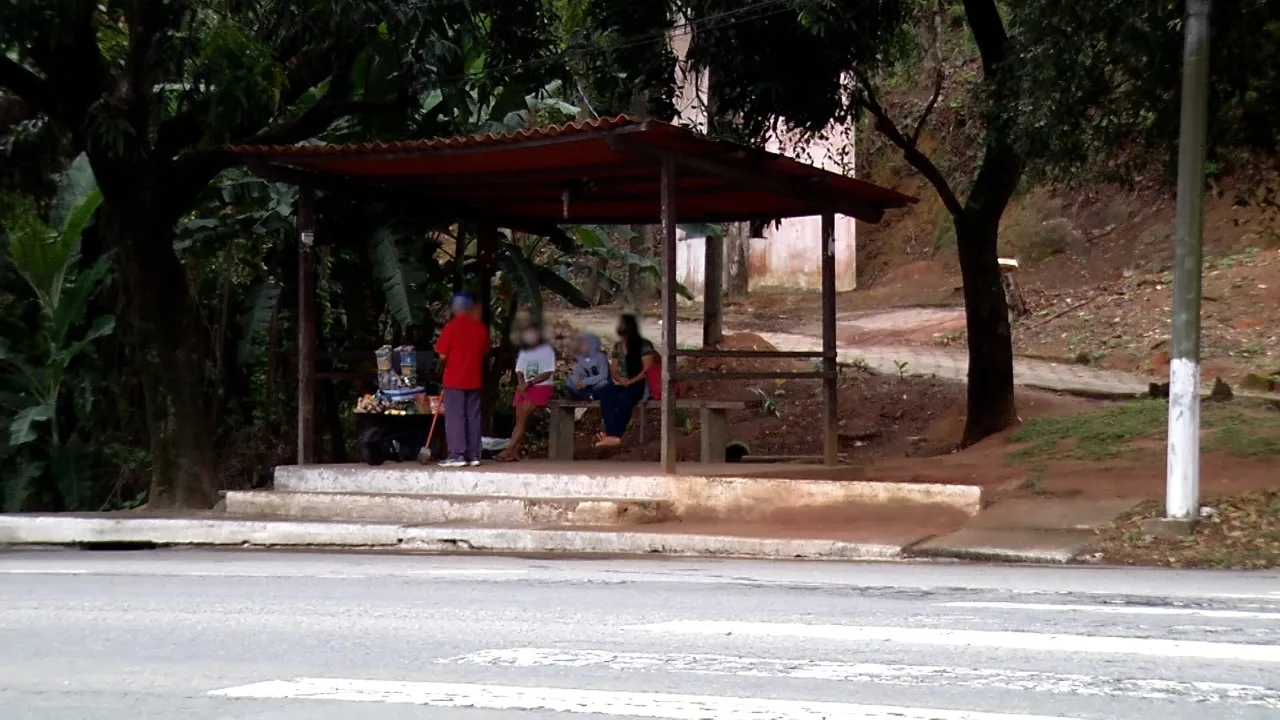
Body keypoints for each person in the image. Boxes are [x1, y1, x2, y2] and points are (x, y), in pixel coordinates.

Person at [433, 292, 489, 467]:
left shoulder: (451, 327)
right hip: (474, 379)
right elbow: (484, 351)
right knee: (473, 416)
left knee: (455, 416)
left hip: (454, 379)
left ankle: (456, 454)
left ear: (456, 309)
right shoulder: (480, 328)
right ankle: (473, 454)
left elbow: (442, 355)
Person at [595, 314, 657, 448]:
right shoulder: (618, 346)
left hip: (639, 384)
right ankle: (612, 435)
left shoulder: (644, 345)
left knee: (625, 398)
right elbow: (614, 369)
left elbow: (647, 370)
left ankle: (614, 435)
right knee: (606, 394)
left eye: (623, 324)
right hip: (621, 383)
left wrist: (632, 381)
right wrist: (619, 379)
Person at [496, 325, 556, 462]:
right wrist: (522, 384)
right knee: (519, 419)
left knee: (522, 417)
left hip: (541, 386)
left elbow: (547, 373)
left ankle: (508, 450)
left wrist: (529, 384)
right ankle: (514, 450)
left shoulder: (547, 350)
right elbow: (519, 370)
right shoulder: (524, 351)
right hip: (525, 386)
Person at [566, 333, 610, 401]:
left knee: (604, 384)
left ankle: (585, 396)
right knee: (569, 382)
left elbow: (603, 375)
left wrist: (586, 382)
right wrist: (577, 382)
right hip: (584, 387)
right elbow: (576, 372)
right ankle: (588, 396)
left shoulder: (601, 357)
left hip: (596, 386)